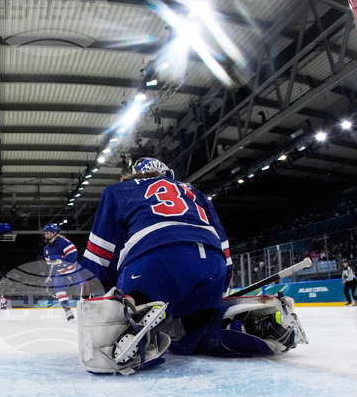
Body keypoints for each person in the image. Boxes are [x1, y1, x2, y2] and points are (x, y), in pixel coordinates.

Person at [78, 157, 306, 375]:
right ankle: (254, 324)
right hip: (212, 263)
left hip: (158, 260)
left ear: (133, 174)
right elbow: (224, 245)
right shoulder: (192, 192)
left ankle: (138, 326)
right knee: (194, 336)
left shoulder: (118, 191)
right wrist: (219, 291)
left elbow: (101, 250)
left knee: (135, 335)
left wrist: (100, 293)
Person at [42, 223, 83, 321]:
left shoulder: (64, 243)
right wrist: (50, 277)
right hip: (61, 273)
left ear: (54, 233)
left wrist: (61, 259)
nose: (45, 235)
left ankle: (88, 310)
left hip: (74, 270)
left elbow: (73, 257)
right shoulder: (46, 249)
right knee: (59, 291)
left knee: (83, 291)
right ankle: (68, 312)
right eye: (45, 233)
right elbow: (51, 266)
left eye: (48, 233)